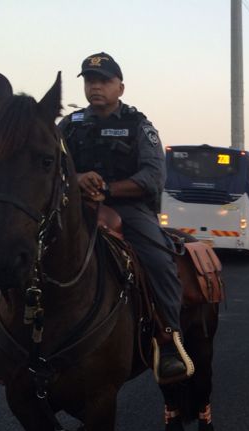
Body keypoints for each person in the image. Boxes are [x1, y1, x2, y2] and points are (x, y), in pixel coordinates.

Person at [59, 52, 192, 383]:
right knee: (27, 248)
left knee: (160, 260)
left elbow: (153, 177)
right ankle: (13, 341)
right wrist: (75, 180)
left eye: (104, 80)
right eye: (90, 81)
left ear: (120, 86)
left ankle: (169, 339)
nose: (96, 87)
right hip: (74, 206)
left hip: (127, 209)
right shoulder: (68, 125)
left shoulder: (139, 126)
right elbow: (49, 166)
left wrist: (107, 187)